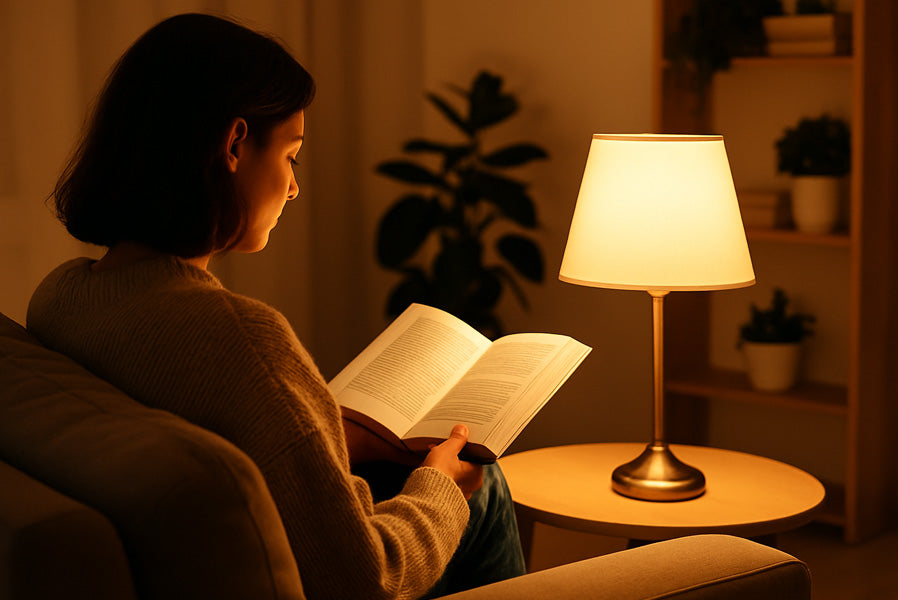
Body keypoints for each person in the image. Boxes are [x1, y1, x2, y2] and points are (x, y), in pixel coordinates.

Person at [26, 12, 525, 600]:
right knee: (480, 482)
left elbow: (211, 416)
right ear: (234, 144)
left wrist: (331, 436)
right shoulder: (241, 337)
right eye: (291, 155)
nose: (293, 187)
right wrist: (440, 486)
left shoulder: (62, 296)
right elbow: (365, 579)